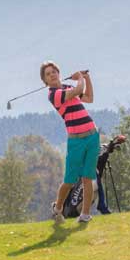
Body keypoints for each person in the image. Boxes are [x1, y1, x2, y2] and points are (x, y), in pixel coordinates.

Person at [40, 61, 98, 223]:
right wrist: (80, 78)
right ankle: (57, 208)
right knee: (70, 180)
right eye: (48, 74)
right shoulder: (54, 94)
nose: (52, 75)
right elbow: (79, 89)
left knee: (87, 177)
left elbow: (88, 97)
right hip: (76, 140)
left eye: (54, 72)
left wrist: (87, 78)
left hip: (92, 135)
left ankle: (85, 215)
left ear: (58, 73)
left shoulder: (67, 88)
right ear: (45, 81)